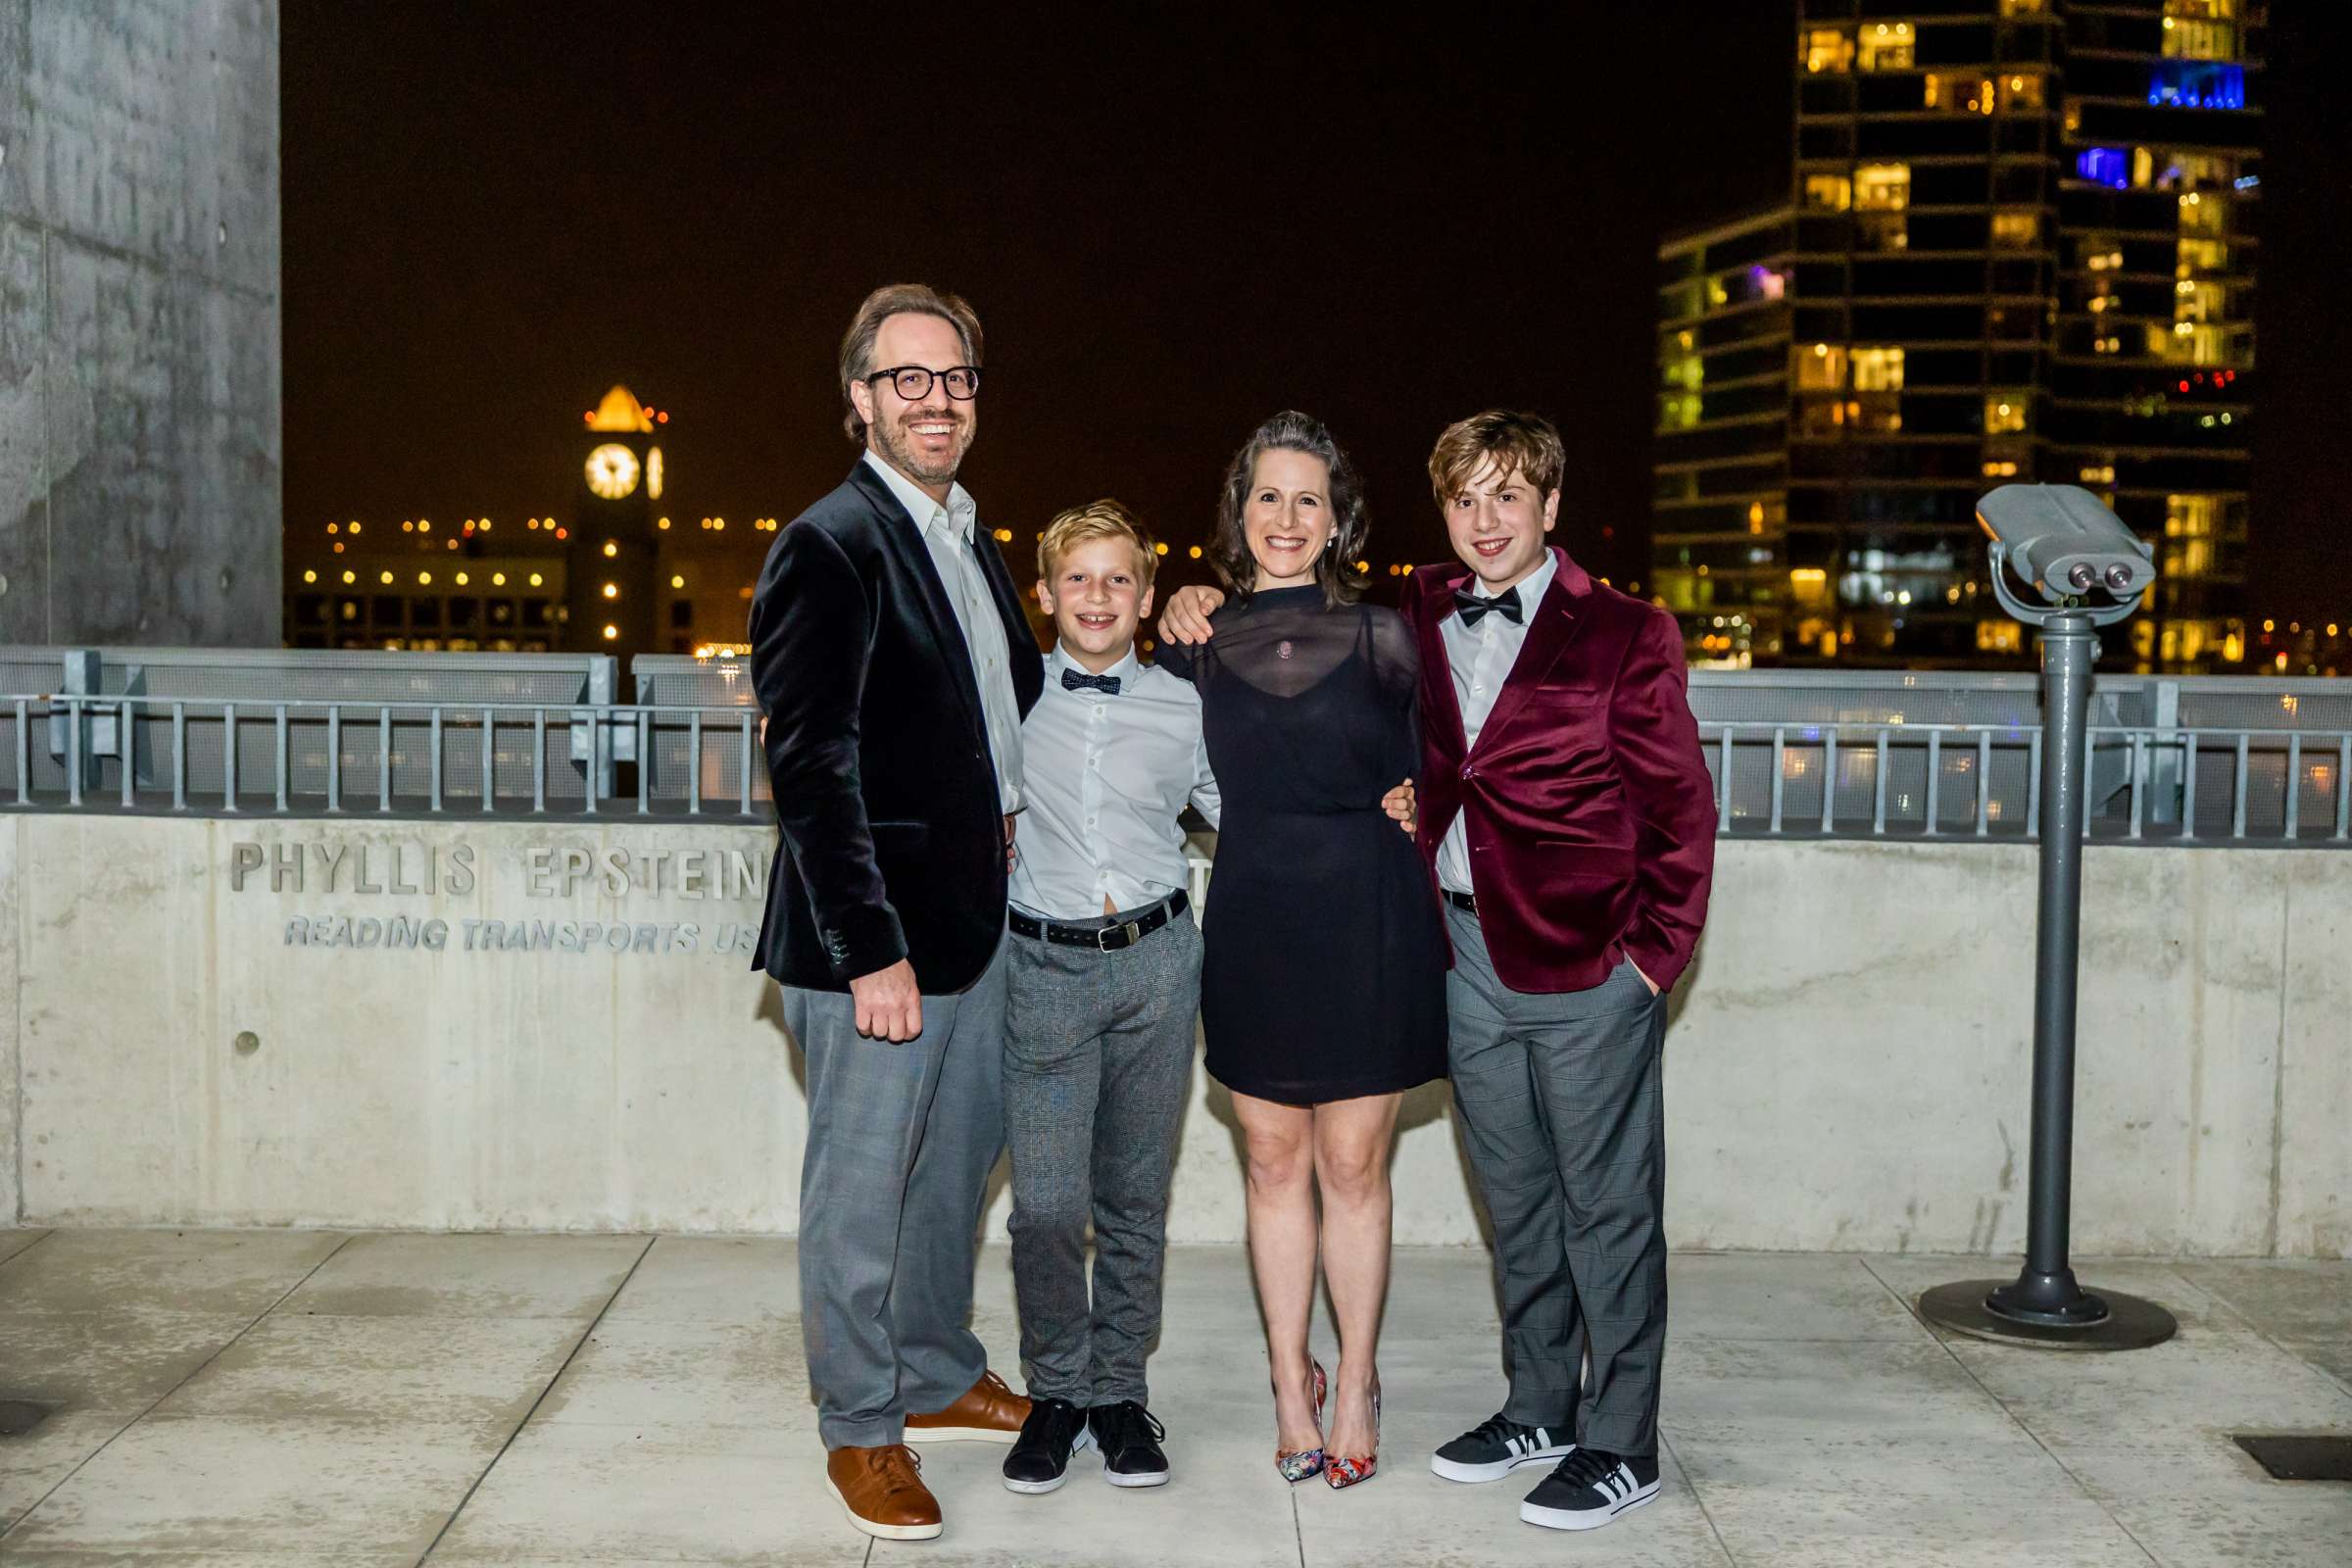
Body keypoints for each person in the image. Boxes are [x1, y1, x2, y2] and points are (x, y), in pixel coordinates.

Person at [1160, 409, 1716, 1535]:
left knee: (1606, 1208)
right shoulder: (1421, 607)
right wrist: (1189, 593)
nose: (1487, 518)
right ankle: (1541, 1404)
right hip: (1457, 949)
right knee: (1514, 1201)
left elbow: (1680, 811)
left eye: (1510, 495)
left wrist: (1651, 962)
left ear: (1551, 506)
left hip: (1589, 961)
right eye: (1467, 498)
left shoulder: (1623, 630)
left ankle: (1623, 1441)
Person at [748, 283, 1045, 1544]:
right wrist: (869, 951)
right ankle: (861, 1427)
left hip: (975, 924)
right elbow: (810, 766)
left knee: (951, 1174)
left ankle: (930, 1368)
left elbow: (992, 716)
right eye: (907, 378)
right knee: (863, 1192)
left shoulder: (964, 531)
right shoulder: (831, 541)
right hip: (873, 938)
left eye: (956, 377)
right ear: (860, 398)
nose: (937, 398)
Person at [1152, 410, 1445, 1492]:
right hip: (1257, 917)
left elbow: (1453, 764)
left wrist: (1424, 800)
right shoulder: (1192, 640)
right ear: (1239, 516)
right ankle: (1291, 1378)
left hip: (1368, 915)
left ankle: (1359, 1376)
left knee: (1352, 1164)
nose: (1286, 517)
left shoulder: (1388, 636)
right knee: (1272, 1160)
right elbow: (1138, 751)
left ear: (1337, 522)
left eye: (1306, 499)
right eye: (1266, 497)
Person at [997, 500, 1219, 1497]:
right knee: (1044, 1204)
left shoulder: (1186, 702)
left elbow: (1249, 808)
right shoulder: (1006, 696)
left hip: (1159, 963)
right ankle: (1055, 1390)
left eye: (1117, 579)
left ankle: (1118, 1392)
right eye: (1077, 578)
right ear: (1045, 594)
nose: (1097, 596)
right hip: (1039, 966)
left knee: (1134, 1196)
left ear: (1148, 597)